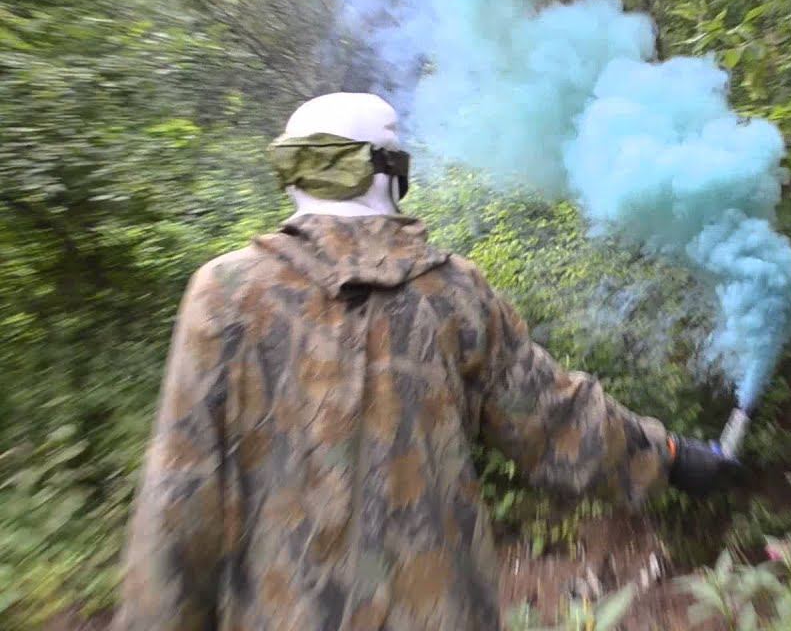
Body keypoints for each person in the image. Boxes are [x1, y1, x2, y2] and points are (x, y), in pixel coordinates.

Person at [113, 92, 742, 630]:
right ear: (389, 173)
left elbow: (179, 497)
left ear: (295, 172)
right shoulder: (452, 294)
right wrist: (670, 457)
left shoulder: (225, 295)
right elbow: (558, 422)